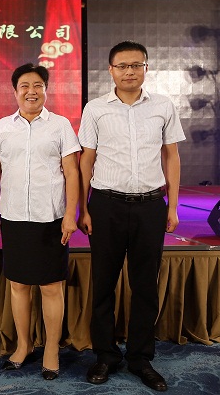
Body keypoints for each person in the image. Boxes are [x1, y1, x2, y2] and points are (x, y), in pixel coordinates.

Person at [78, 41, 184, 392]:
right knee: (104, 284)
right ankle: (105, 355)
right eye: (122, 66)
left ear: (146, 69)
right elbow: (87, 159)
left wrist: (172, 206)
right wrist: (83, 207)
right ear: (110, 70)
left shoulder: (163, 106)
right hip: (106, 205)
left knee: (145, 286)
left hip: (150, 206)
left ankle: (140, 358)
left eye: (136, 65)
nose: (129, 71)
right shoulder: (95, 108)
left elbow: (171, 156)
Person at [0, 63, 80, 380]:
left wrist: (70, 215)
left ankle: (51, 348)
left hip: (50, 218)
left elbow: (72, 173)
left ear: (46, 90)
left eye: (38, 85)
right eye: (24, 86)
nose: (31, 91)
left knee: (51, 286)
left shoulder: (60, 126)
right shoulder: (2, 127)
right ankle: (24, 345)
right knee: (18, 285)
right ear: (15, 91)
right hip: (14, 216)